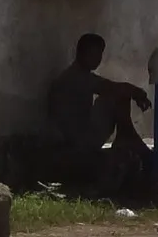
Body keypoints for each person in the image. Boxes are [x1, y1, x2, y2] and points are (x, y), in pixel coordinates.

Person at [47, 33, 151, 193]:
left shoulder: (82, 75)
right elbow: (112, 88)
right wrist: (138, 93)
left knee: (115, 95)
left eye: (100, 55)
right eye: (93, 54)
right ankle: (127, 137)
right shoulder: (74, 77)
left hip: (81, 134)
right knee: (114, 96)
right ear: (81, 53)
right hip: (75, 141)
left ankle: (127, 136)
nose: (97, 59)